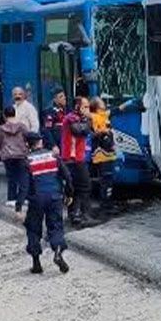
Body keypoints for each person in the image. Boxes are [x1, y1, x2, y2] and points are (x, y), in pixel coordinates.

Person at [14, 131, 71, 274]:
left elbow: (24, 186)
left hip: (36, 200)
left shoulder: (27, 161)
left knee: (33, 229)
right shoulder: (54, 156)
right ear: (41, 142)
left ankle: (36, 264)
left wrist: (18, 207)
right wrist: (69, 194)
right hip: (55, 197)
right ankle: (58, 251)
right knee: (56, 226)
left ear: (27, 144)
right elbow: (67, 176)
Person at [59, 96, 93, 227]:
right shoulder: (71, 118)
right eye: (85, 107)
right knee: (82, 186)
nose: (87, 109)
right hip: (71, 159)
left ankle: (76, 214)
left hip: (78, 158)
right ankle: (81, 214)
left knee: (78, 187)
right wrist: (88, 119)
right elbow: (80, 130)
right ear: (77, 107)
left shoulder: (79, 118)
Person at [88, 98, 118, 217]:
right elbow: (97, 133)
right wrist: (104, 133)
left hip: (108, 152)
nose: (104, 104)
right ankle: (105, 205)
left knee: (108, 179)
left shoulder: (104, 115)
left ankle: (108, 203)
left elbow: (116, 110)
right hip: (102, 153)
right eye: (101, 103)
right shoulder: (94, 117)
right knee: (105, 180)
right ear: (96, 107)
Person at [0, 106, 29, 206]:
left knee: (11, 177)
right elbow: (28, 136)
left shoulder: (1, 128)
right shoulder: (22, 126)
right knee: (22, 176)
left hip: (7, 155)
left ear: (4, 116)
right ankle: (23, 198)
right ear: (15, 114)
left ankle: (11, 198)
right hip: (21, 154)